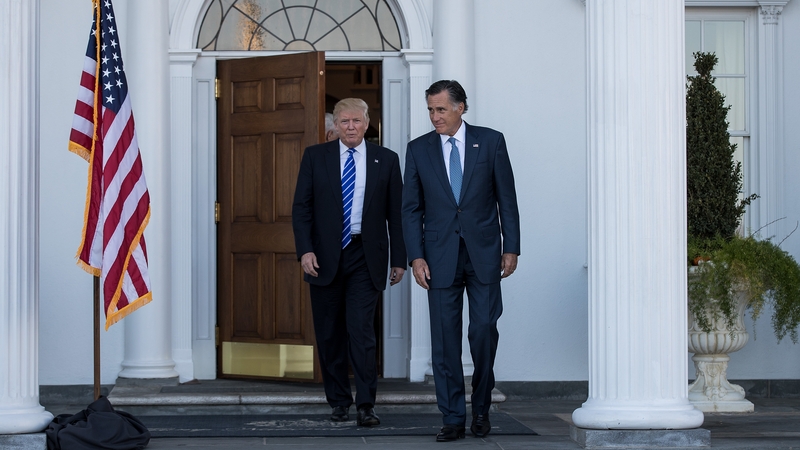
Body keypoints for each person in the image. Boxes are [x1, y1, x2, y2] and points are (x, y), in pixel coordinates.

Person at [402, 80, 520, 441]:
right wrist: (416, 256)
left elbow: (507, 199)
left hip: (484, 254)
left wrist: (511, 247)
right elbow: (410, 209)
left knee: (483, 331)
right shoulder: (418, 149)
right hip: (438, 258)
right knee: (444, 340)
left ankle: (481, 408)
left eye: (441, 109)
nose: (435, 116)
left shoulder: (491, 141)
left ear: (460, 107)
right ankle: (452, 416)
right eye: (430, 110)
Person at [292, 98, 406, 427]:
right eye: (344, 121)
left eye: (356, 121)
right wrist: (305, 251)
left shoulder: (386, 160)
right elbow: (302, 209)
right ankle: (339, 401)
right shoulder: (316, 157)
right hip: (324, 257)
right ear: (336, 125)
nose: (351, 127)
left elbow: (395, 216)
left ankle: (366, 404)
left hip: (365, 256)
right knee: (329, 334)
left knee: (362, 333)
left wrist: (399, 258)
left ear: (367, 124)